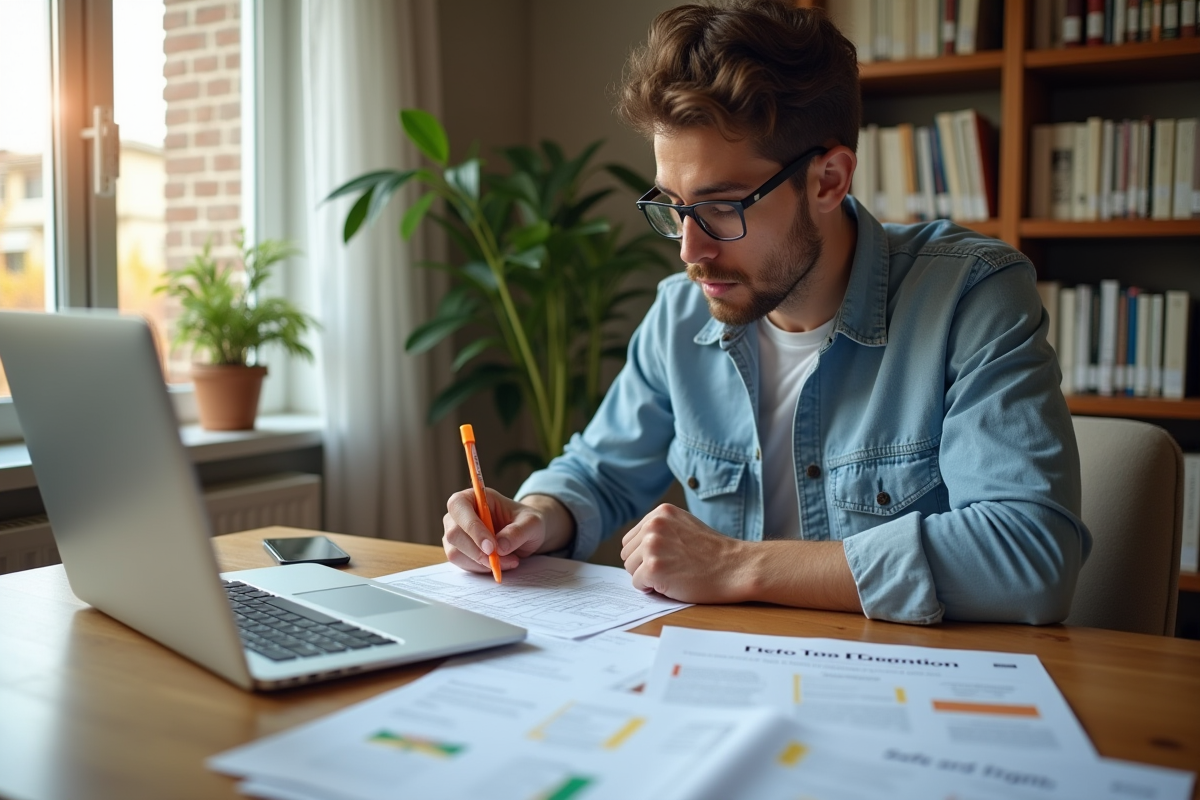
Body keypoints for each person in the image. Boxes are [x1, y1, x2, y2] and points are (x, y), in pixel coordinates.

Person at [441, 0, 1091, 625]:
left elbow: (1029, 554)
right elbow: (598, 473)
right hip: (725, 674)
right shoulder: (680, 316)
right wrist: (535, 516)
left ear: (829, 180)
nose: (690, 251)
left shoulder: (971, 296)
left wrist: (737, 566)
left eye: (722, 207)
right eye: (674, 206)